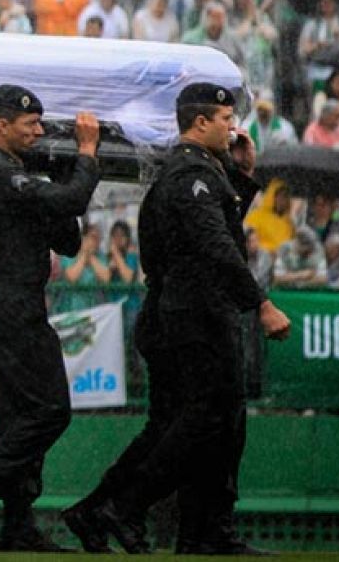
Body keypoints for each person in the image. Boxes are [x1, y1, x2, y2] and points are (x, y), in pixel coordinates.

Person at [64, 84, 291, 555]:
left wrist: (240, 172)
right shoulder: (189, 175)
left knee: (186, 425)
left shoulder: (199, 171)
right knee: (207, 421)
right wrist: (261, 303)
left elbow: (218, 227)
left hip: (187, 311)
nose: (234, 126)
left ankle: (173, 524)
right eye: (226, 117)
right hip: (196, 313)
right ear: (199, 122)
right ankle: (128, 508)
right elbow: (217, 246)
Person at [0, 86, 101, 551]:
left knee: (20, 418)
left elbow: (66, 240)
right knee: (50, 411)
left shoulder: (17, 173)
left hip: (13, 304)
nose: (38, 130)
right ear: (1, 124)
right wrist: (86, 155)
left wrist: (59, 172)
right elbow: (68, 204)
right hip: (10, 305)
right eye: (29, 123)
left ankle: (18, 522)